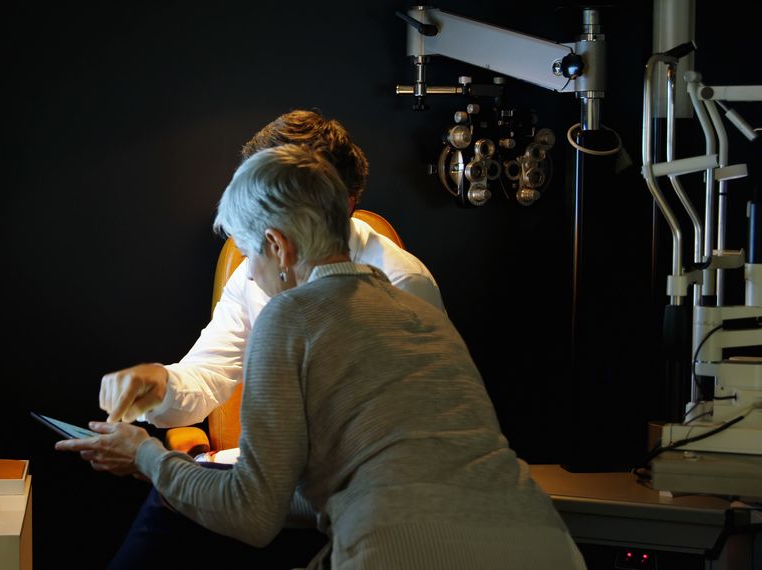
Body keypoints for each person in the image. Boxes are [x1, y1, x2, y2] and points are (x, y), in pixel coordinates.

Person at [58, 145, 584, 568]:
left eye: (250, 253)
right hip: (545, 543)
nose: (250, 273)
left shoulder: (290, 316)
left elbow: (252, 515)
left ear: (278, 247)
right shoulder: (419, 316)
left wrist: (148, 458)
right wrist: (171, 452)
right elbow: (372, 475)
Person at [87, 110, 444, 568]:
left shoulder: (402, 287)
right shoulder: (258, 274)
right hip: (293, 493)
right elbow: (209, 373)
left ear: (341, 200)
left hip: (364, 502)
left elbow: (385, 464)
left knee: (176, 505)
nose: (250, 260)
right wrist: (160, 383)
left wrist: (155, 464)